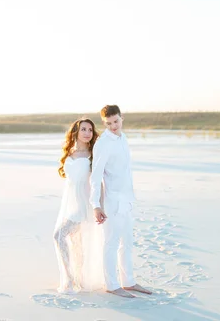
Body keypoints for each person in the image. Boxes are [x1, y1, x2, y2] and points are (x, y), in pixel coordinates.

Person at [89, 105, 152, 298]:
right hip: (112, 202)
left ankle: (128, 282)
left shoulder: (123, 138)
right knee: (111, 243)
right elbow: (96, 175)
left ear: (121, 118)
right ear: (104, 123)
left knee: (128, 243)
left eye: (116, 121)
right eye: (108, 123)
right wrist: (96, 204)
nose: (113, 126)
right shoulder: (103, 143)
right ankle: (111, 284)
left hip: (126, 200)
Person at [53, 118, 104, 294]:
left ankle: (69, 279)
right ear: (76, 131)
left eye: (90, 130)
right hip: (70, 202)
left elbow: (99, 183)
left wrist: (99, 206)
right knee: (76, 243)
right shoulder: (70, 153)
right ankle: (79, 280)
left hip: (84, 204)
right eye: (83, 129)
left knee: (59, 235)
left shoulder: (93, 155)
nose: (87, 133)